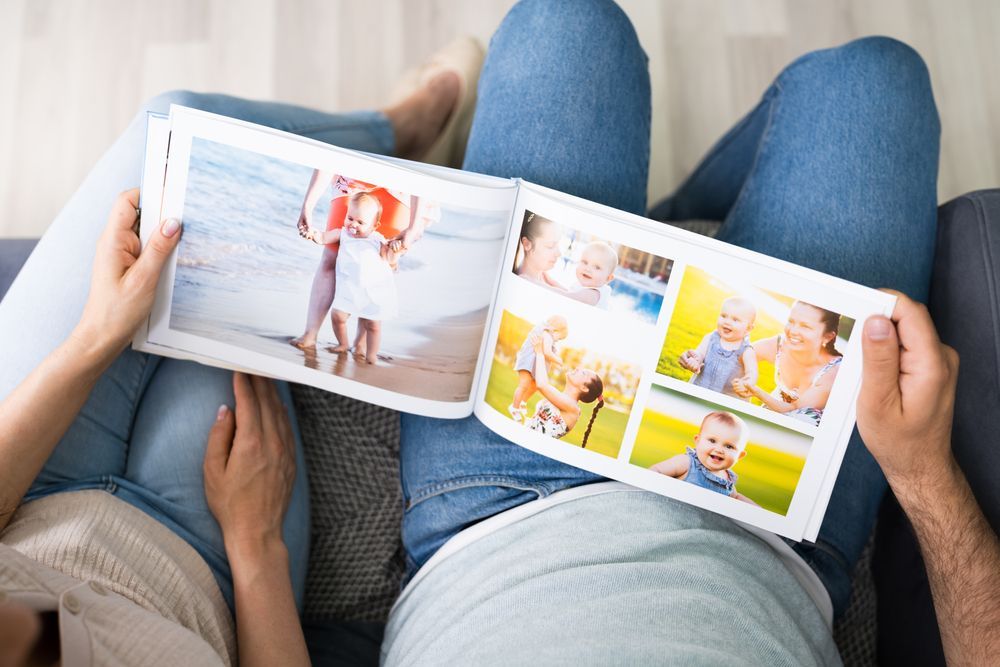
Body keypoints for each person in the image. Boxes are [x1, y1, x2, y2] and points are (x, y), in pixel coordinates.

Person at [2, 1, 998, 665]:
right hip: (776, 527)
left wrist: (95, 344)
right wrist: (923, 477)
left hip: (492, 494)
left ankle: (442, 139)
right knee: (876, 80)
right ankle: (686, 221)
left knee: (565, 26)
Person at [0, 46, 468, 665]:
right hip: (202, 553)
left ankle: (394, 132)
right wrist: (257, 547)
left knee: (172, 127)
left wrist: (95, 338)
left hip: (30, 480)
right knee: (228, 305)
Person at [290, 172, 439, 351]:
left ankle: (360, 344)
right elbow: (327, 159)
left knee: (381, 264)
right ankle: (310, 334)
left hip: (403, 186)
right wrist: (307, 206)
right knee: (331, 256)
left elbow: (420, 171)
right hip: (354, 176)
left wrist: (413, 228)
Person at [304, 191, 400, 363]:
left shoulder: (378, 240)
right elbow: (324, 237)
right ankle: (343, 344)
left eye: (361, 222)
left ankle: (370, 354)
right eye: (350, 218)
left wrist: (394, 249)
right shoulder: (343, 234)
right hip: (348, 289)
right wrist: (313, 234)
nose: (353, 224)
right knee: (338, 317)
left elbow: (389, 260)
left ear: (374, 225)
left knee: (373, 325)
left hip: (371, 292)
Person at [731, 301, 842, 425]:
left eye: (805, 326)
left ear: (827, 337)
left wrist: (756, 392)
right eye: (791, 321)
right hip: (775, 407)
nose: (793, 331)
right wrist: (748, 375)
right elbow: (738, 356)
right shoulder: (780, 345)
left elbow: (794, 409)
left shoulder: (833, 373)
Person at [649, 410, 757, 505]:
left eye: (729, 446)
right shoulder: (687, 463)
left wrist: (758, 511)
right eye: (712, 441)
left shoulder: (727, 482)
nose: (719, 450)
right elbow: (656, 471)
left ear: (740, 455)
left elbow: (737, 498)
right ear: (697, 440)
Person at [522, 333, 605, 445]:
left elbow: (541, 384)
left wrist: (540, 353)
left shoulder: (573, 409)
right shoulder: (559, 398)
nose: (578, 368)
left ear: (584, 387)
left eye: (584, 372)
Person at [680, 295, 758, 398]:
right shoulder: (711, 338)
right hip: (699, 390)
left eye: (735, 320)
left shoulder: (746, 351)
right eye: (723, 316)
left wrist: (746, 382)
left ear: (748, 329)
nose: (727, 321)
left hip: (725, 398)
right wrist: (695, 360)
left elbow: (752, 372)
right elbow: (699, 354)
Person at [509, 315, 568, 423]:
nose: (558, 341)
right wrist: (558, 360)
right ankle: (514, 408)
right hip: (528, 362)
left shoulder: (548, 336)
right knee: (524, 385)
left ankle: (523, 402)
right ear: (555, 330)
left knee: (535, 385)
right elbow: (547, 352)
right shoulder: (547, 335)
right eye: (559, 338)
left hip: (533, 363)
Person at [544, 240, 619, 309]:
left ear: (608, 278)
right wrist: (550, 281)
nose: (588, 269)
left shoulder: (594, 293)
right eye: (585, 262)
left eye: (597, 267)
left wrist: (542, 286)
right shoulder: (585, 287)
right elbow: (569, 292)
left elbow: (568, 297)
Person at [512, 212, 563, 284]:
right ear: (527, 244)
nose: (559, 253)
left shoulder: (548, 281)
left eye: (557, 244)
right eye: (550, 245)